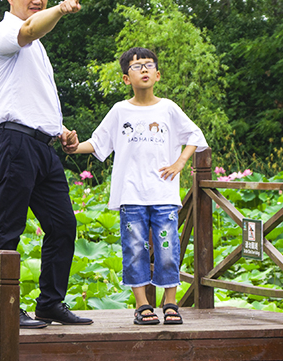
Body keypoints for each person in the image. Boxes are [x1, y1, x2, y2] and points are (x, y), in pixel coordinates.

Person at [0, 0, 93, 328]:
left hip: (44, 147)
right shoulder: (3, 32)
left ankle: (50, 303)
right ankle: (3, 309)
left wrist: (61, 131)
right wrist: (61, 9)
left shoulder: (39, 49)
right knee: (8, 228)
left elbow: (31, 96)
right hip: (14, 142)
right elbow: (29, 30)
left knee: (63, 225)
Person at [69, 47, 208, 326]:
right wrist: (73, 147)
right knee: (134, 250)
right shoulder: (120, 110)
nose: (144, 69)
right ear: (126, 78)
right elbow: (97, 143)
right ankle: (142, 305)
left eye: (149, 65)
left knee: (168, 249)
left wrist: (180, 162)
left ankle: (170, 302)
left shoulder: (168, 108)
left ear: (158, 74)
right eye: (136, 66)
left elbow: (195, 135)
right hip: (131, 193)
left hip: (164, 192)